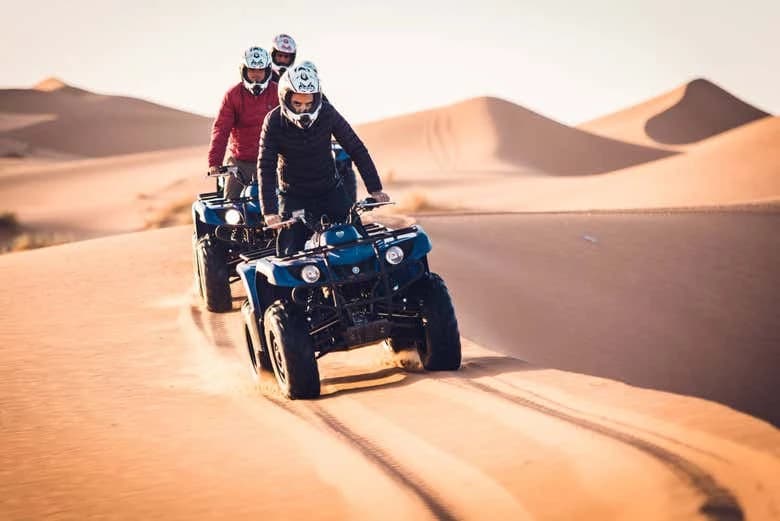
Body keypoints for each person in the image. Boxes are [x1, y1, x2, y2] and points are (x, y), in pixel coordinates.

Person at [257, 64, 389, 256]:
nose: (303, 109)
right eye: (297, 103)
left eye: (309, 103)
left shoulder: (327, 112)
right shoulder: (273, 121)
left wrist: (375, 189)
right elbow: (266, 166)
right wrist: (269, 211)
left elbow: (356, 148)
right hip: (294, 197)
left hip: (330, 190)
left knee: (361, 245)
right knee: (289, 255)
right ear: (285, 98)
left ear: (317, 99)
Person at [207, 46, 278, 200]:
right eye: (252, 70)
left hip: (272, 162)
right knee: (230, 203)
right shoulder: (232, 95)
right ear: (244, 70)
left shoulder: (278, 93)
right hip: (240, 163)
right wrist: (214, 162)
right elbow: (221, 129)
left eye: (260, 70)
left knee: (284, 203)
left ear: (267, 71)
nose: (256, 74)